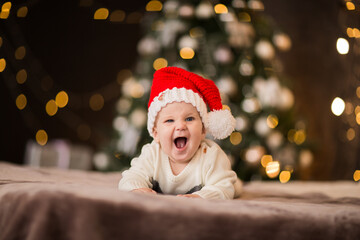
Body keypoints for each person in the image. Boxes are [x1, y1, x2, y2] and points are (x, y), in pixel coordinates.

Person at [118, 66, 242, 200]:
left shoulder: (211, 156)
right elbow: (131, 176)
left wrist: (200, 196)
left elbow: (222, 188)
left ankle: (237, 182)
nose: (180, 126)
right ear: (156, 133)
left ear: (203, 130)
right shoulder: (153, 153)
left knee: (232, 185)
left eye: (189, 119)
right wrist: (137, 188)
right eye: (170, 120)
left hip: (219, 176)